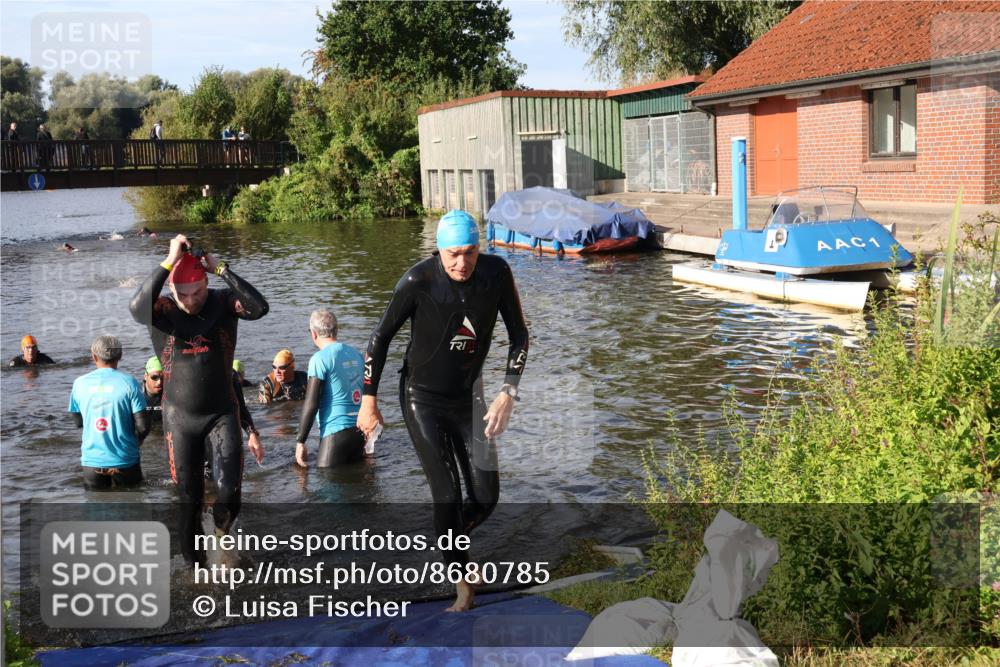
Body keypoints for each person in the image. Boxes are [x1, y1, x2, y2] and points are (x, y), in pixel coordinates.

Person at [357, 209, 530, 612]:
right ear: (439, 250)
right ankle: (462, 581)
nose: (462, 263)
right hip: (422, 399)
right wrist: (369, 399)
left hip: (469, 396)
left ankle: (446, 539)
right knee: (447, 493)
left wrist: (508, 393)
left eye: (470, 252)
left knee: (486, 497)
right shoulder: (419, 280)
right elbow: (379, 338)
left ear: (479, 249)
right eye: (453, 254)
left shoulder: (497, 274)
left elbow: (520, 336)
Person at [129, 233, 268, 566]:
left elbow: (259, 307)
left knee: (230, 491)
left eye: (198, 292)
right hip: (181, 419)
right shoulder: (161, 310)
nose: (192, 301)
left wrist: (220, 269)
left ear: (206, 284)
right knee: (188, 501)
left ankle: (222, 539)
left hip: (222, 412)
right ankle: (197, 571)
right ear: (173, 291)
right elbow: (136, 307)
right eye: (184, 294)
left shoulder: (222, 303)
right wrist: (169, 259)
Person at [69, 335, 150, 489]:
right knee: (134, 506)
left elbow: (78, 422)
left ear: (94, 356)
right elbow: (143, 426)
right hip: (126, 460)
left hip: (92, 463)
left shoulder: (79, 384)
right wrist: (137, 442)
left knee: (96, 509)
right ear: (120, 355)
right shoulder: (130, 383)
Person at [294, 309, 366, 467]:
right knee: (357, 486)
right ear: (336, 330)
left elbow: (312, 403)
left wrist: (301, 441)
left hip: (335, 433)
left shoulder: (319, 359)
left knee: (328, 486)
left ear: (313, 333)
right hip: (361, 432)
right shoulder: (357, 355)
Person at [141, 356, 164, 423]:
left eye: (163, 377)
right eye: (154, 377)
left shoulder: (171, 395)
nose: (159, 382)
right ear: (145, 376)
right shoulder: (137, 396)